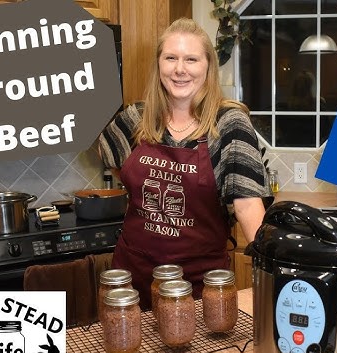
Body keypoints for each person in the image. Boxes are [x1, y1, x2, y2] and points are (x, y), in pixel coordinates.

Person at [98, 18, 272, 304]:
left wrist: (270, 273)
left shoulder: (229, 124)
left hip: (201, 288)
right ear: (159, 65)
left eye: (191, 59)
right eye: (171, 58)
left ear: (207, 67)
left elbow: (247, 204)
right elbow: (111, 160)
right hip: (134, 281)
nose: (180, 69)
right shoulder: (135, 118)